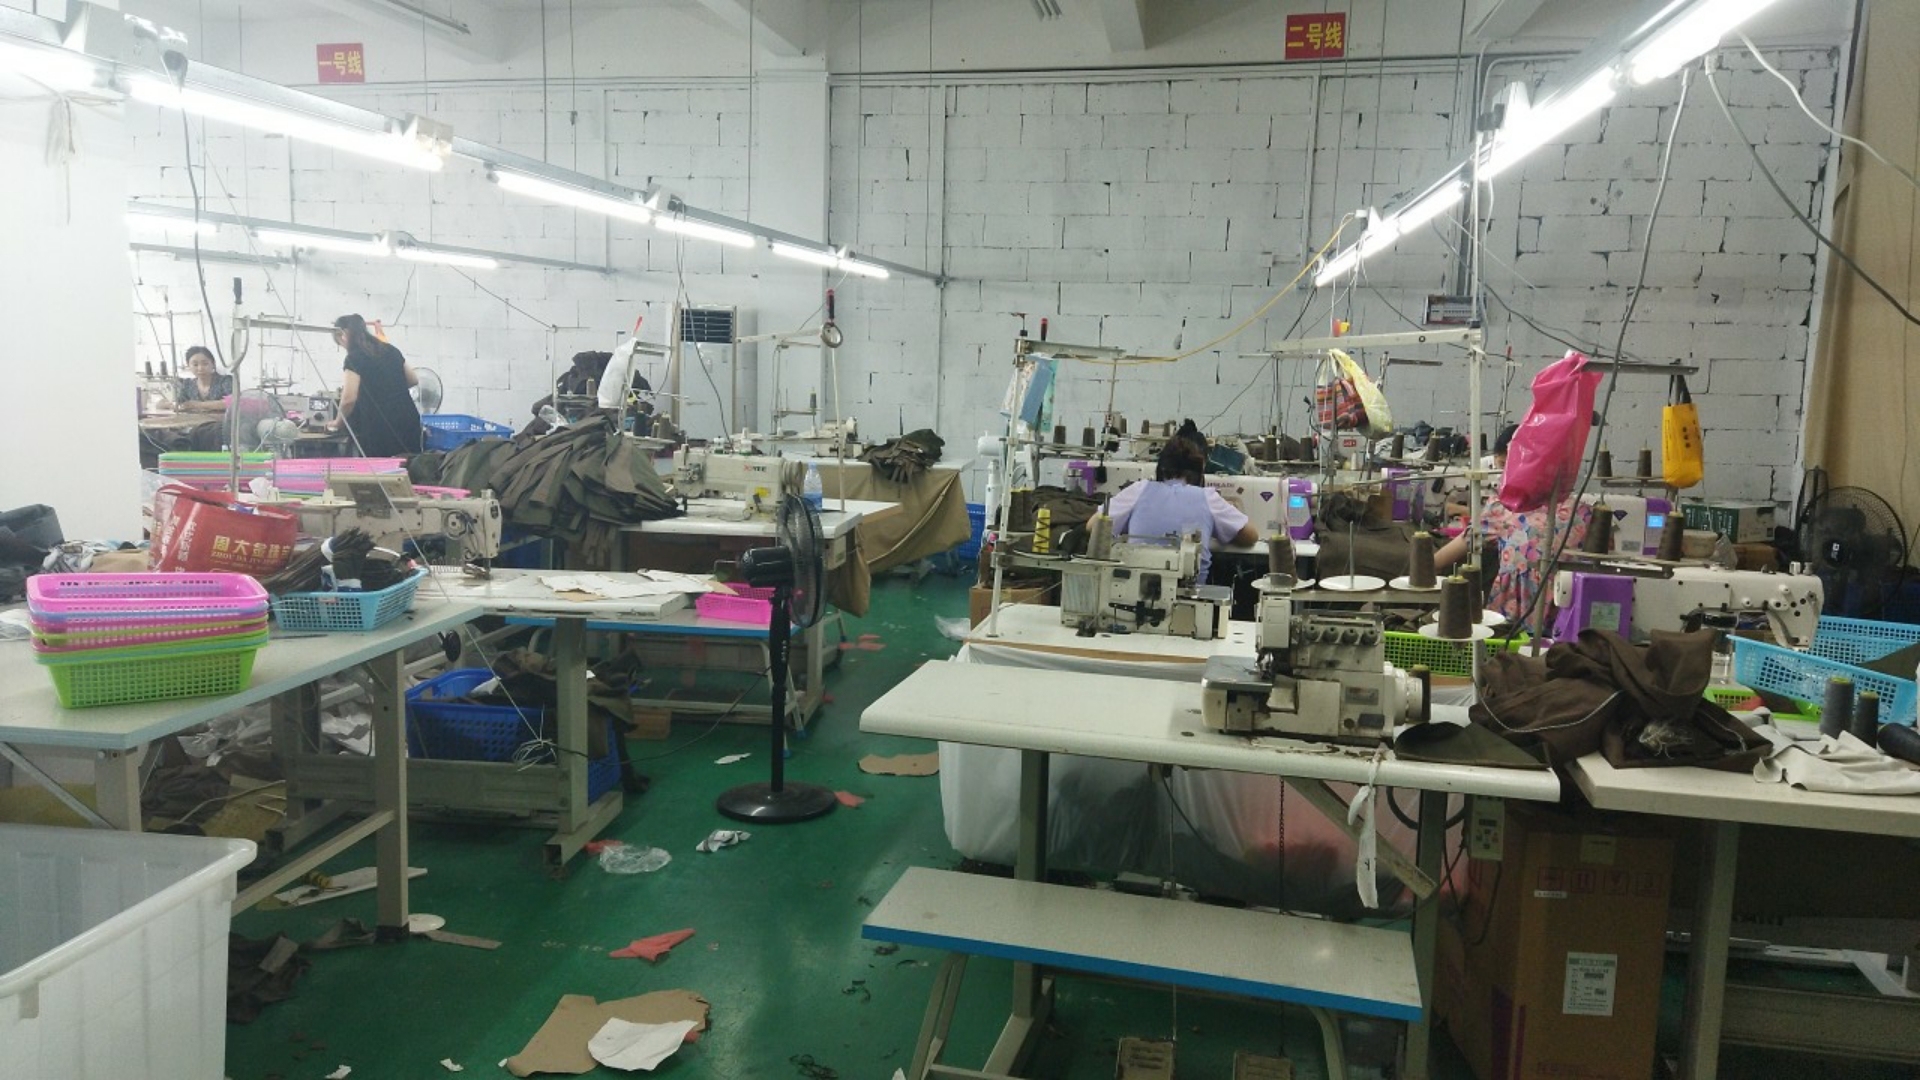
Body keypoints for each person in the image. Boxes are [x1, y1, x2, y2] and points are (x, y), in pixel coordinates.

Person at [1434, 423, 1592, 629]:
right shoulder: (1585, 512)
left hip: (1514, 621)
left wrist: (1419, 571)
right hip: (1571, 620)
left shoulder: (1503, 508)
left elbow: (1450, 553)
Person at [1108, 422, 1257, 581]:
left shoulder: (1138, 490)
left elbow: (1095, 525)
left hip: (1135, 590)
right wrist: (1219, 525)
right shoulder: (1207, 498)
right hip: (1192, 593)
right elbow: (1251, 536)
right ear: (1200, 471)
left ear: (1160, 468)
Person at [329, 314, 422, 456]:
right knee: (410, 466)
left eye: (339, 343)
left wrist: (337, 423)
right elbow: (413, 379)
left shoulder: (354, 358)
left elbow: (349, 399)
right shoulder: (390, 349)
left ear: (342, 335)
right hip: (408, 420)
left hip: (380, 427)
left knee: (381, 468)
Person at [175, 346, 232, 411]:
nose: (200, 368)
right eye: (195, 365)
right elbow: (179, 402)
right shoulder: (188, 384)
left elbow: (233, 401)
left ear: (213, 363)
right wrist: (171, 404)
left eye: (205, 364)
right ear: (188, 366)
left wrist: (198, 405)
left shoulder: (225, 381)